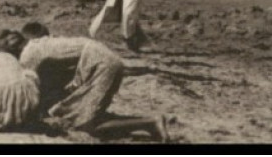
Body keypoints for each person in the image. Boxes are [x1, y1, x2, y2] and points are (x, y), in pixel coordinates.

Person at [17, 23, 169, 141]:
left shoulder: (30, 51)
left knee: (87, 126)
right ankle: (145, 122)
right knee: (83, 113)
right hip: (105, 59)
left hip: (101, 64)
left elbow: (29, 86)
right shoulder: (50, 44)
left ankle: (150, 122)